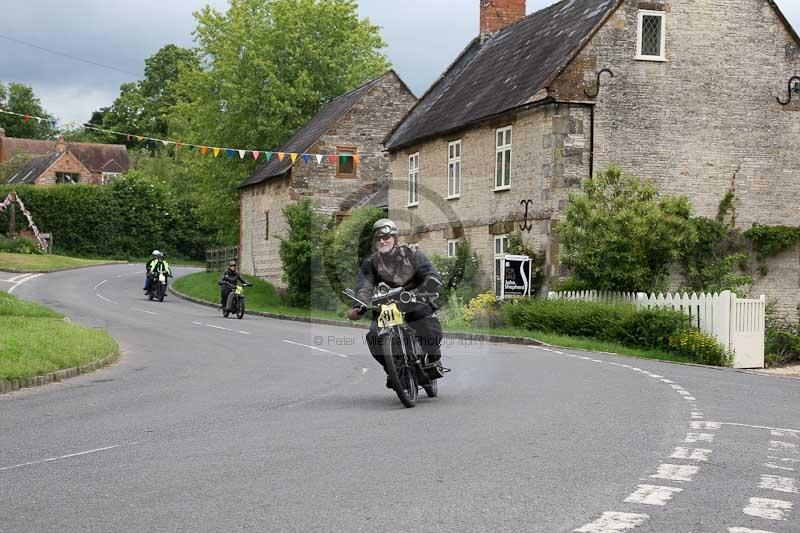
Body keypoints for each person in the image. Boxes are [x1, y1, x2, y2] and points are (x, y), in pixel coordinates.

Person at [348, 219, 444, 388]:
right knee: (374, 336)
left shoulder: (413, 254)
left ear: (395, 238)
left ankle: (433, 358)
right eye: (378, 238)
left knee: (425, 320)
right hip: (388, 306)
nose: (382, 241)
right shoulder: (371, 264)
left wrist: (429, 283)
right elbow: (364, 286)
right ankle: (393, 369)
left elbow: (429, 273)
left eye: (386, 236)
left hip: (414, 300)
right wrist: (359, 305)